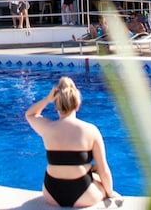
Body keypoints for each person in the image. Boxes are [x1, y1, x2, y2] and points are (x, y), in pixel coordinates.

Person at [24, 77, 117, 208]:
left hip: (51, 193)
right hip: (84, 194)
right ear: (77, 105)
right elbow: (104, 170)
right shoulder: (90, 130)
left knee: (92, 171)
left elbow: (30, 115)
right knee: (96, 173)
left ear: (56, 105)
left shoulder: (47, 128)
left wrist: (47, 99)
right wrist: (110, 193)